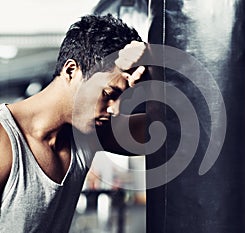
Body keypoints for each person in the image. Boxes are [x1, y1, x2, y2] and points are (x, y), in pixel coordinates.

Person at [0, 14, 146, 232]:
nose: (114, 109)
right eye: (108, 93)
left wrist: (154, 70)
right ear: (71, 71)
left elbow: (170, 129)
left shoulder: (86, 135)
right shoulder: (5, 142)